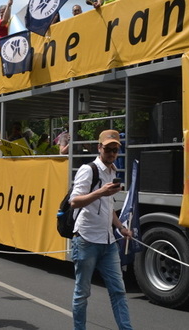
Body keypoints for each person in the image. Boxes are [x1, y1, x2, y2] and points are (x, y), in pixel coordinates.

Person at [69, 130, 133, 330]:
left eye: (115, 150)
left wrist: (121, 227)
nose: (112, 153)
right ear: (99, 148)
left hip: (108, 243)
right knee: (82, 293)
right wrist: (100, 192)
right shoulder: (89, 170)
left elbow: (108, 207)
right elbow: (74, 201)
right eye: (108, 149)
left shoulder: (113, 171)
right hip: (86, 240)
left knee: (119, 291)